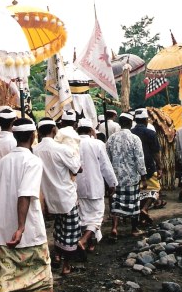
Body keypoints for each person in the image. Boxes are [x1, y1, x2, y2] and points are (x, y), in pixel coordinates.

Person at [0, 118, 69, 292]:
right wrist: (20, 227)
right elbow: (25, 195)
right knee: (39, 270)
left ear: (14, 135)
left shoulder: (2, 162)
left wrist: (1, 225)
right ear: (33, 136)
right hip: (27, 228)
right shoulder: (33, 161)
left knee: (8, 274)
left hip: (4, 227)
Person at [34, 117, 82, 276]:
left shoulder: (35, 150)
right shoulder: (62, 149)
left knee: (58, 229)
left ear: (39, 132)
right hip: (66, 196)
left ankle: (57, 255)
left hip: (49, 197)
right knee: (70, 231)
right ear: (54, 130)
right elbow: (76, 168)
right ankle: (66, 265)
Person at [76, 119, 118, 252]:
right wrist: (112, 183)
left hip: (78, 187)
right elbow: (105, 166)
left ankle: (90, 243)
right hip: (95, 185)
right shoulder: (97, 143)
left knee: (83, 217)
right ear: (90, 130)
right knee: (97, 216)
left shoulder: (73, 143)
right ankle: (83, 240)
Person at [106, 112, 147, 239]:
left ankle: (114, 228)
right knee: (134, 202)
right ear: (130, 123)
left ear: (120, 123)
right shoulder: (135, 139)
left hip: (116, 177)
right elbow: (139, 159)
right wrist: (144, 177)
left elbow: (107, 158)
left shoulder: (111, 138)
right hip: (131, 178)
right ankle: (134, 229)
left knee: (116, 203)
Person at [131, 108, 163, 226]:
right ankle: (145, 209)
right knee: (154, 189)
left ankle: (141, 217)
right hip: (149, 165)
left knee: (140, 191)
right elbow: (156, 152)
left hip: (134, 168)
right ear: (145, 120)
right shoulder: (151, 133)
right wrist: (160, 167)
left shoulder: (130, 133)